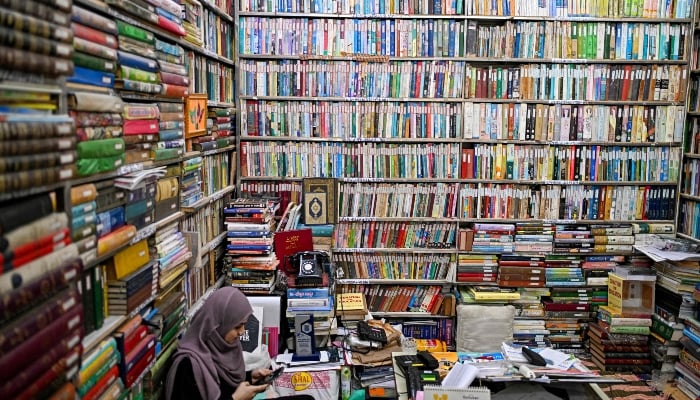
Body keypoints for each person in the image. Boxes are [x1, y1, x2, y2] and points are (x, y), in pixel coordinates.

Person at [165, 287, 313, 400]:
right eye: (237, 326)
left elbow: (225, 386)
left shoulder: (221, 349)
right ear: (217, 325)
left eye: (244, 325)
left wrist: (251, 377)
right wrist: (235, 399)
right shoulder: (188, 365)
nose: (242, 332)